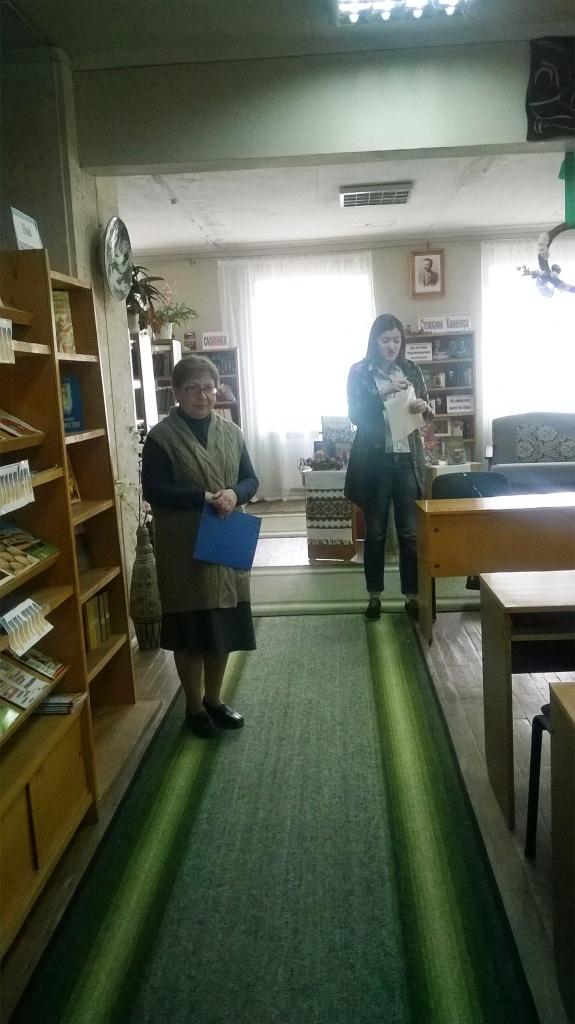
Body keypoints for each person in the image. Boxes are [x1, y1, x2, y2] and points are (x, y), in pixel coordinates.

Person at [142, 354, 259, 738]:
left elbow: (250, 480)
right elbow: (154, 490)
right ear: (176, 392)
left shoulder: (232, 432)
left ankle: (214, 699)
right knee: (191, 632)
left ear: (217, 389)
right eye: (191, 389)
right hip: (184, 548)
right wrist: (202, 496)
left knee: (221, 629)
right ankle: (193, 707)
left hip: (224, 543)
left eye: (208, 388)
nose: (202, 396)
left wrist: (234, 493)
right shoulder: (161, 438)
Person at [344, 314, 433, 621]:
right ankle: (374, 596)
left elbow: (427, 413)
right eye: (386, 340)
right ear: (375, 341)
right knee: (376, 532)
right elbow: (355, 415)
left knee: (409, 533)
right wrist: (381, 393)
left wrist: (424, 407)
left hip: (406, 459)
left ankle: (411, 596)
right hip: (375, 461)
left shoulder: (411, 369)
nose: (392, 346)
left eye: (396, 340)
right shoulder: (359, 372)